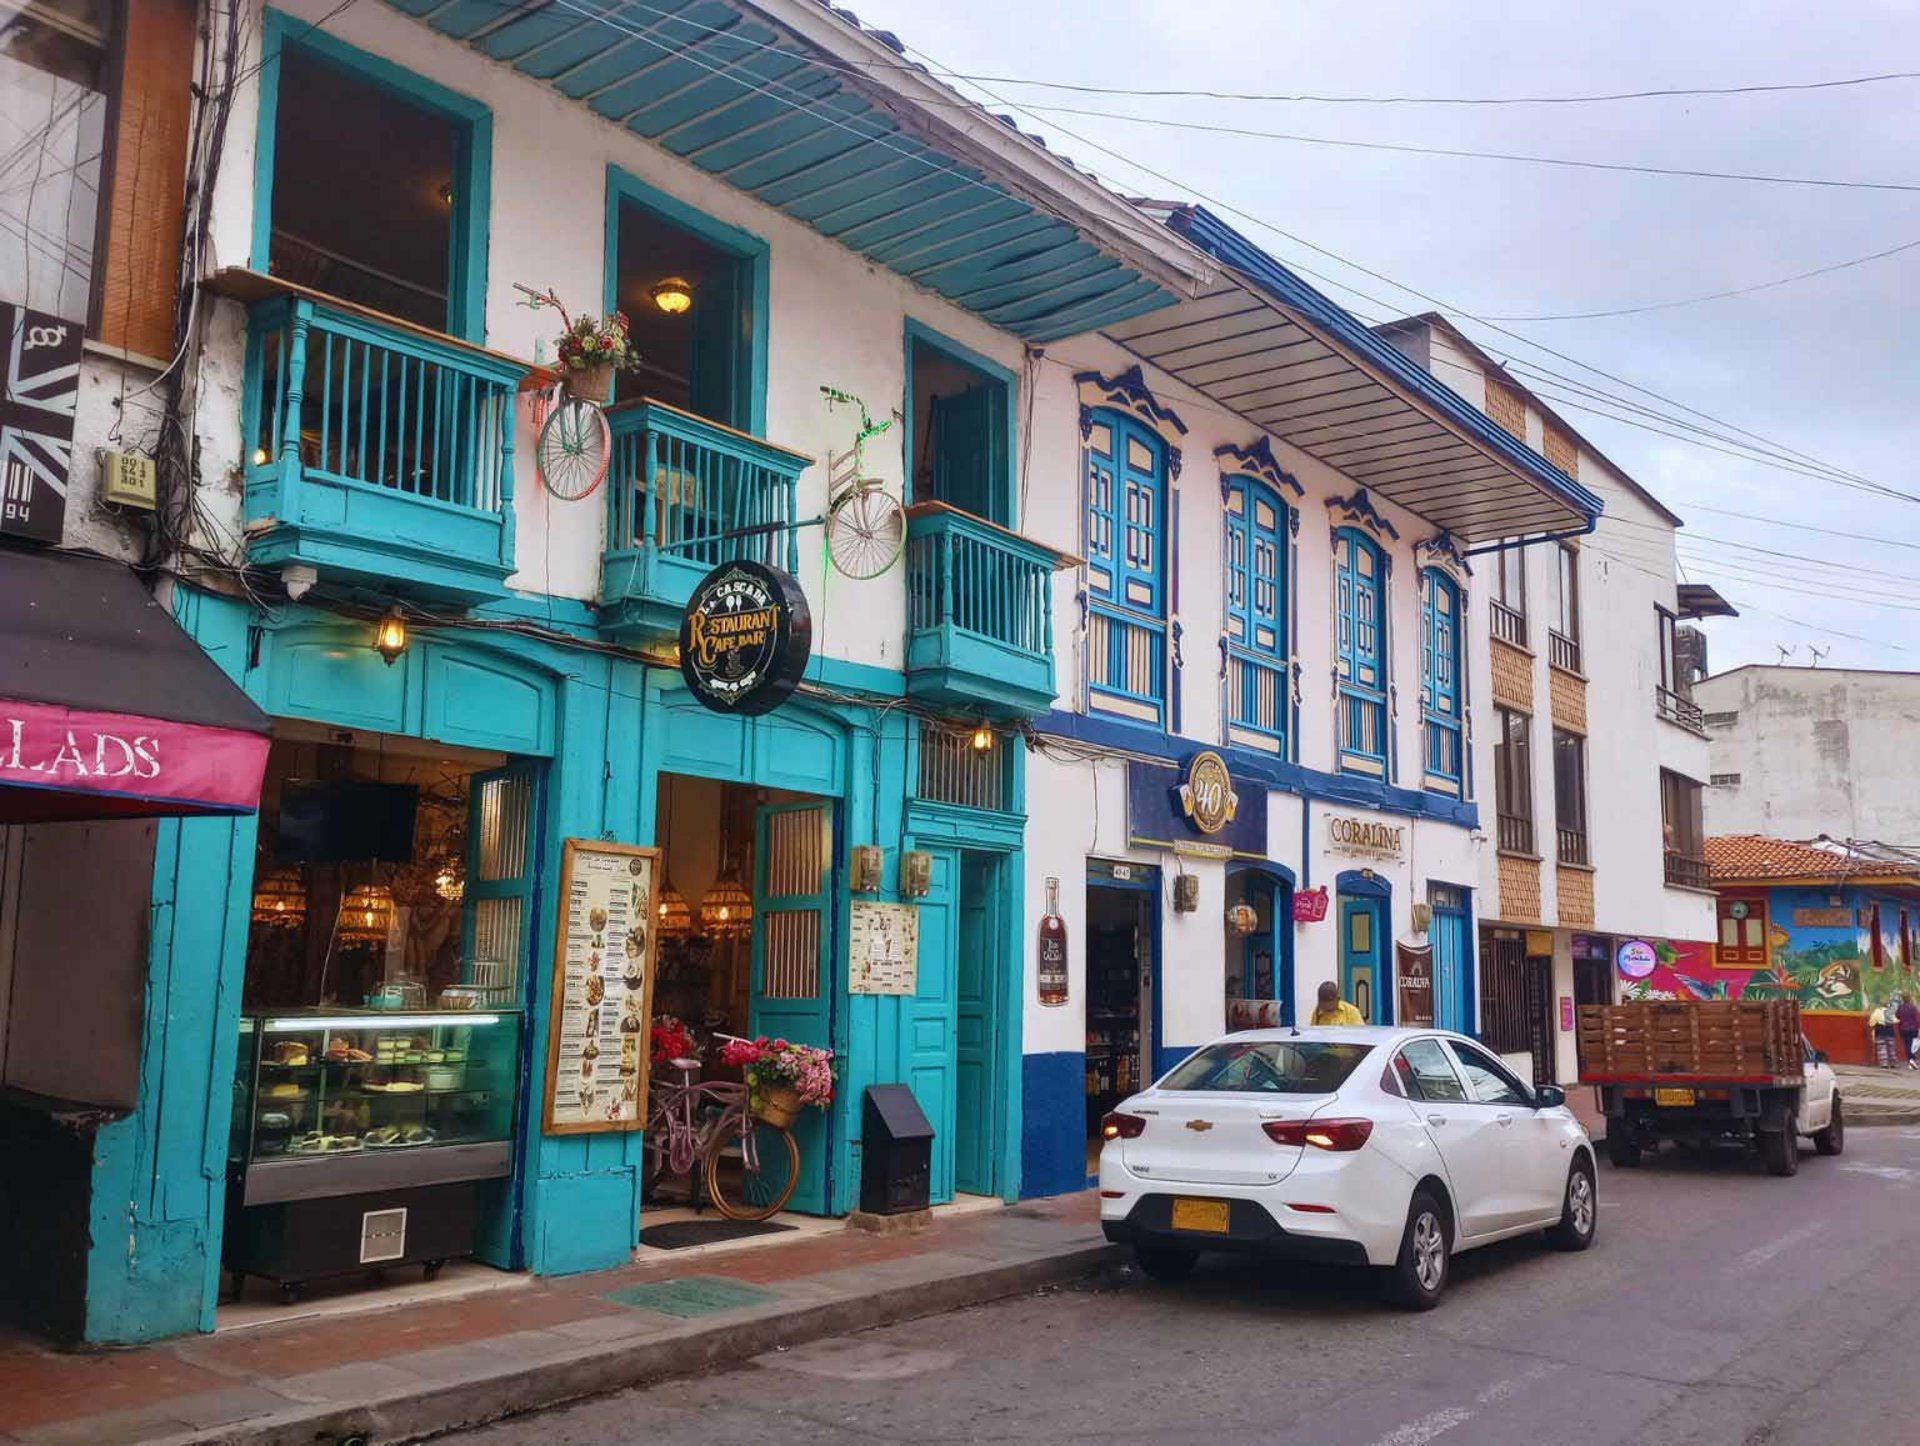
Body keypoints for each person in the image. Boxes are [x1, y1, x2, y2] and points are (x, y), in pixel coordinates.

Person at [1871, 1001, 1898, 1069]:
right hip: (1889, 1030)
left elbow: (1872, 1022)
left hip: (1880, 1030)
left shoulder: (1876, 1011)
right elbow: (1895, 1020)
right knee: (1891, 1048)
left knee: (1881, 1048)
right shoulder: (1890, 1012)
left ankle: (1884, 1063)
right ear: (1887, 1005)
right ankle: (1893, 1063)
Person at [1898, 994, 1920, 1071]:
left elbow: (1897, 1016)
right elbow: (1917, 1019)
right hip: (1912, 1029)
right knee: (1913, 1046)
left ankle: (1911, 1062)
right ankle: (1912, 1060)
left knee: (1907, 1045)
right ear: (1910, 998)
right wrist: (1918, 1028)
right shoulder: (1913, 1007)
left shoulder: (1900, 1007)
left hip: (1903, 1029)